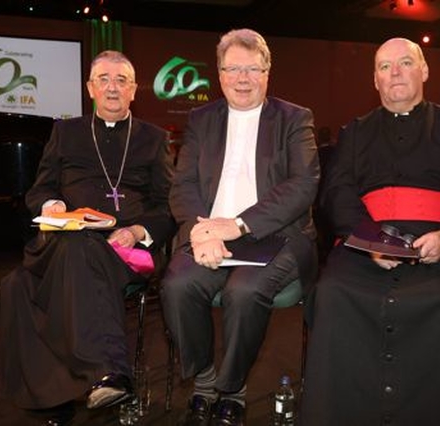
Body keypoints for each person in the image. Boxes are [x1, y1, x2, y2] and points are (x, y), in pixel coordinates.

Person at [299, 38, 440, 425]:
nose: (395, 72)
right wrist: (371, 240)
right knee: (332, 294)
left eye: (405, 63)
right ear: (374, 79)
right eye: (384, 66)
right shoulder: (355, 132)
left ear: (424, 71)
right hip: (368, 243)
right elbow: (337, 190)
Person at [0, 50, 174, 426]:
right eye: (104, 79)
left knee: (43, 271)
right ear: (90, 88)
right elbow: (40, 188)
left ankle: (99, 372)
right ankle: (58, 393)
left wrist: (136, 230)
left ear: (133, 91)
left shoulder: (154, 139)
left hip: (123, 248)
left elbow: (167, 205)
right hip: (66, 239)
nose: (113, 87)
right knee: (22, 280)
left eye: (122, 80)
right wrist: (51, 205)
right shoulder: (66, 132)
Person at [160, 28, 319, 426]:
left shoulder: (295, 118)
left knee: (244, 293)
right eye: (233, 69)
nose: (242, 78)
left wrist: (237, 225)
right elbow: (184, 184)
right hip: (208, 231)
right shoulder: (201, 119)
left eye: (252, 69)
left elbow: (303, 185)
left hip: (275, 235)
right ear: (219, 73)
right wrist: (201, 231)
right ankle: (205, 379)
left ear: (267, 72)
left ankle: (233, 389)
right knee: (177, 287)